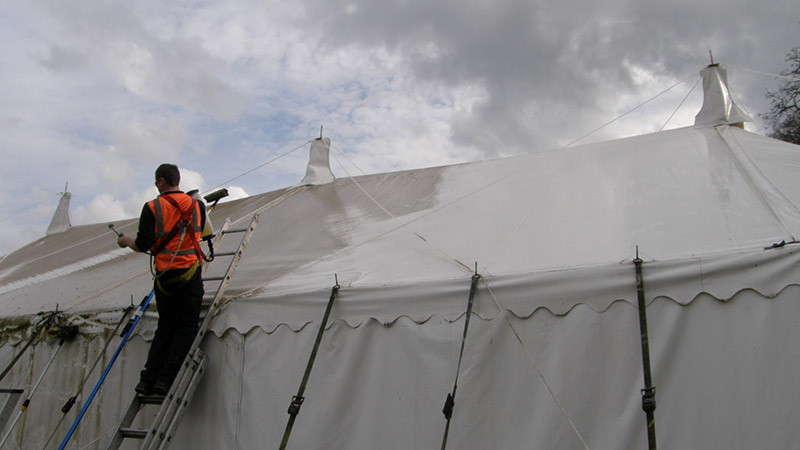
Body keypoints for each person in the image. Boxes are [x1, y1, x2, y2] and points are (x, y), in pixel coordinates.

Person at [118, 163, 207, 396]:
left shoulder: (151, 207)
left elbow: (143, 245)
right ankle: (165, 381)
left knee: (165, 326)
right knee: (186, 327)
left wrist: (126, 241)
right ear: (177, 180)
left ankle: (148, 379)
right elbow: (204, 232)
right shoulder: (197, 206)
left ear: (161, 182)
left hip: (165, 277)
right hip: (189, 274)